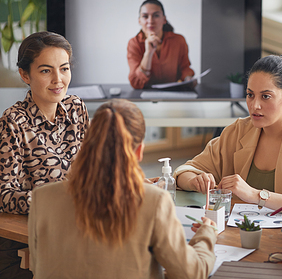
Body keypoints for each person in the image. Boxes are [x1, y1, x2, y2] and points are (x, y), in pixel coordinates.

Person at [28, 99, 217, 278]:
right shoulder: (154, 201)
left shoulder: (42, 198)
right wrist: (206, 234)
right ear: (139, 151)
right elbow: (191, 274)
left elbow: (38, 266)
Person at [174, 54, 282, 215]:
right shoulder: (237, 132)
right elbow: (185, 171)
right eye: (250, 95)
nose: (254, 105)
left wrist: (256, 195)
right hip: (237, 234)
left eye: (265, 96)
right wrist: (195, 181)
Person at [0, 31, 89, 279]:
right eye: (46, 71)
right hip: (25, 243)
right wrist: (60, 201)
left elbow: (93, 167)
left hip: (76, 231)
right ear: (25, 75)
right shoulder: (13, 121)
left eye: (64, 68)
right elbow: (3, 194)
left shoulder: (76, 108)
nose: (58, 80)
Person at [127, 0, 195, 89]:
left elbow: (185, 68)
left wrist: (188, 78)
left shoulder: (179, 40)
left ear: (164, 19)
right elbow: (136, 83)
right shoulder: (134, 43)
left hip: (173, 94)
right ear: (139, 21)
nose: (150, 21)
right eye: (145, 16)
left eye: (156, 15)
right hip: (145, 95)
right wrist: (148, 53)